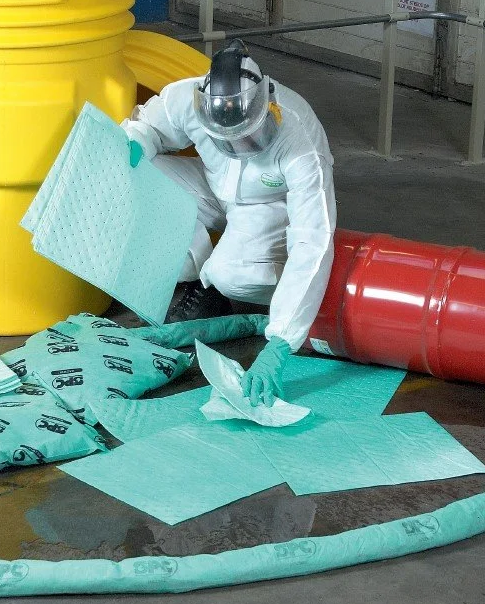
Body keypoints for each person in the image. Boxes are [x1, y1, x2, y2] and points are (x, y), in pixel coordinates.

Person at [120, 39, 337, 408]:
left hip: (267, 207)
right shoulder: (186, 98)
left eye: (249, 135)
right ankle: (192, 278)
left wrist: (281, 342)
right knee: (141, 174)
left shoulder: (300, 140)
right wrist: (132, 147)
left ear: (267, 105)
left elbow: (313, 241)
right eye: (228, 140)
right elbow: (149, 126)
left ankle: (221, 287)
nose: (240, 146)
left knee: (229, 275)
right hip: (214, 186)